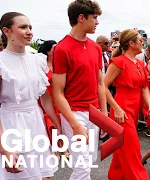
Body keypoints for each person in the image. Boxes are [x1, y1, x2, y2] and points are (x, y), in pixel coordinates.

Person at [0, 12, 60, 180]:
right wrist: (5, 149)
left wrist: (58, 127)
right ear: (7, 31)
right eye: (23, 27)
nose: (29, 31)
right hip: (12, 125)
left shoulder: (37, 60)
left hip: (36, 122)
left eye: (30, 27)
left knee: (45, 175)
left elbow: (45, 100)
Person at [52, 1, 106, 179]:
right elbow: (57, 92)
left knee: (87, 163)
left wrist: (103, 115)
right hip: (74, 113)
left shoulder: (96, 48)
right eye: (94, 17)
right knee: (82, 167)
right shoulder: (62, 49)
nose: (97, 22)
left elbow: (100, 84)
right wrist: (74, 124)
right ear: (81, 18)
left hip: (94, 112)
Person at [104, 29, 150, 180]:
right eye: (140, 40)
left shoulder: (140, 63)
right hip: (122, 110)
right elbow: (102, 86)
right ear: (131, 43)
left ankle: (116, 176)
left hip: (133, 110)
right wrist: (116, 108)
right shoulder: (118, 62)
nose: (143, 42)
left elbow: (145, 87)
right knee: (133, 149)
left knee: (123, 147)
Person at [38, 40, 70, 159]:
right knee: (49, 125)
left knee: (60, 123)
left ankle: (63, 147)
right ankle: (53, 149)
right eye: (54, 48)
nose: (57, 50)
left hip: (60, 98)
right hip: (45, 98)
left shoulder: (60, 63)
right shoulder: (41, 65)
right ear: (48, 51)